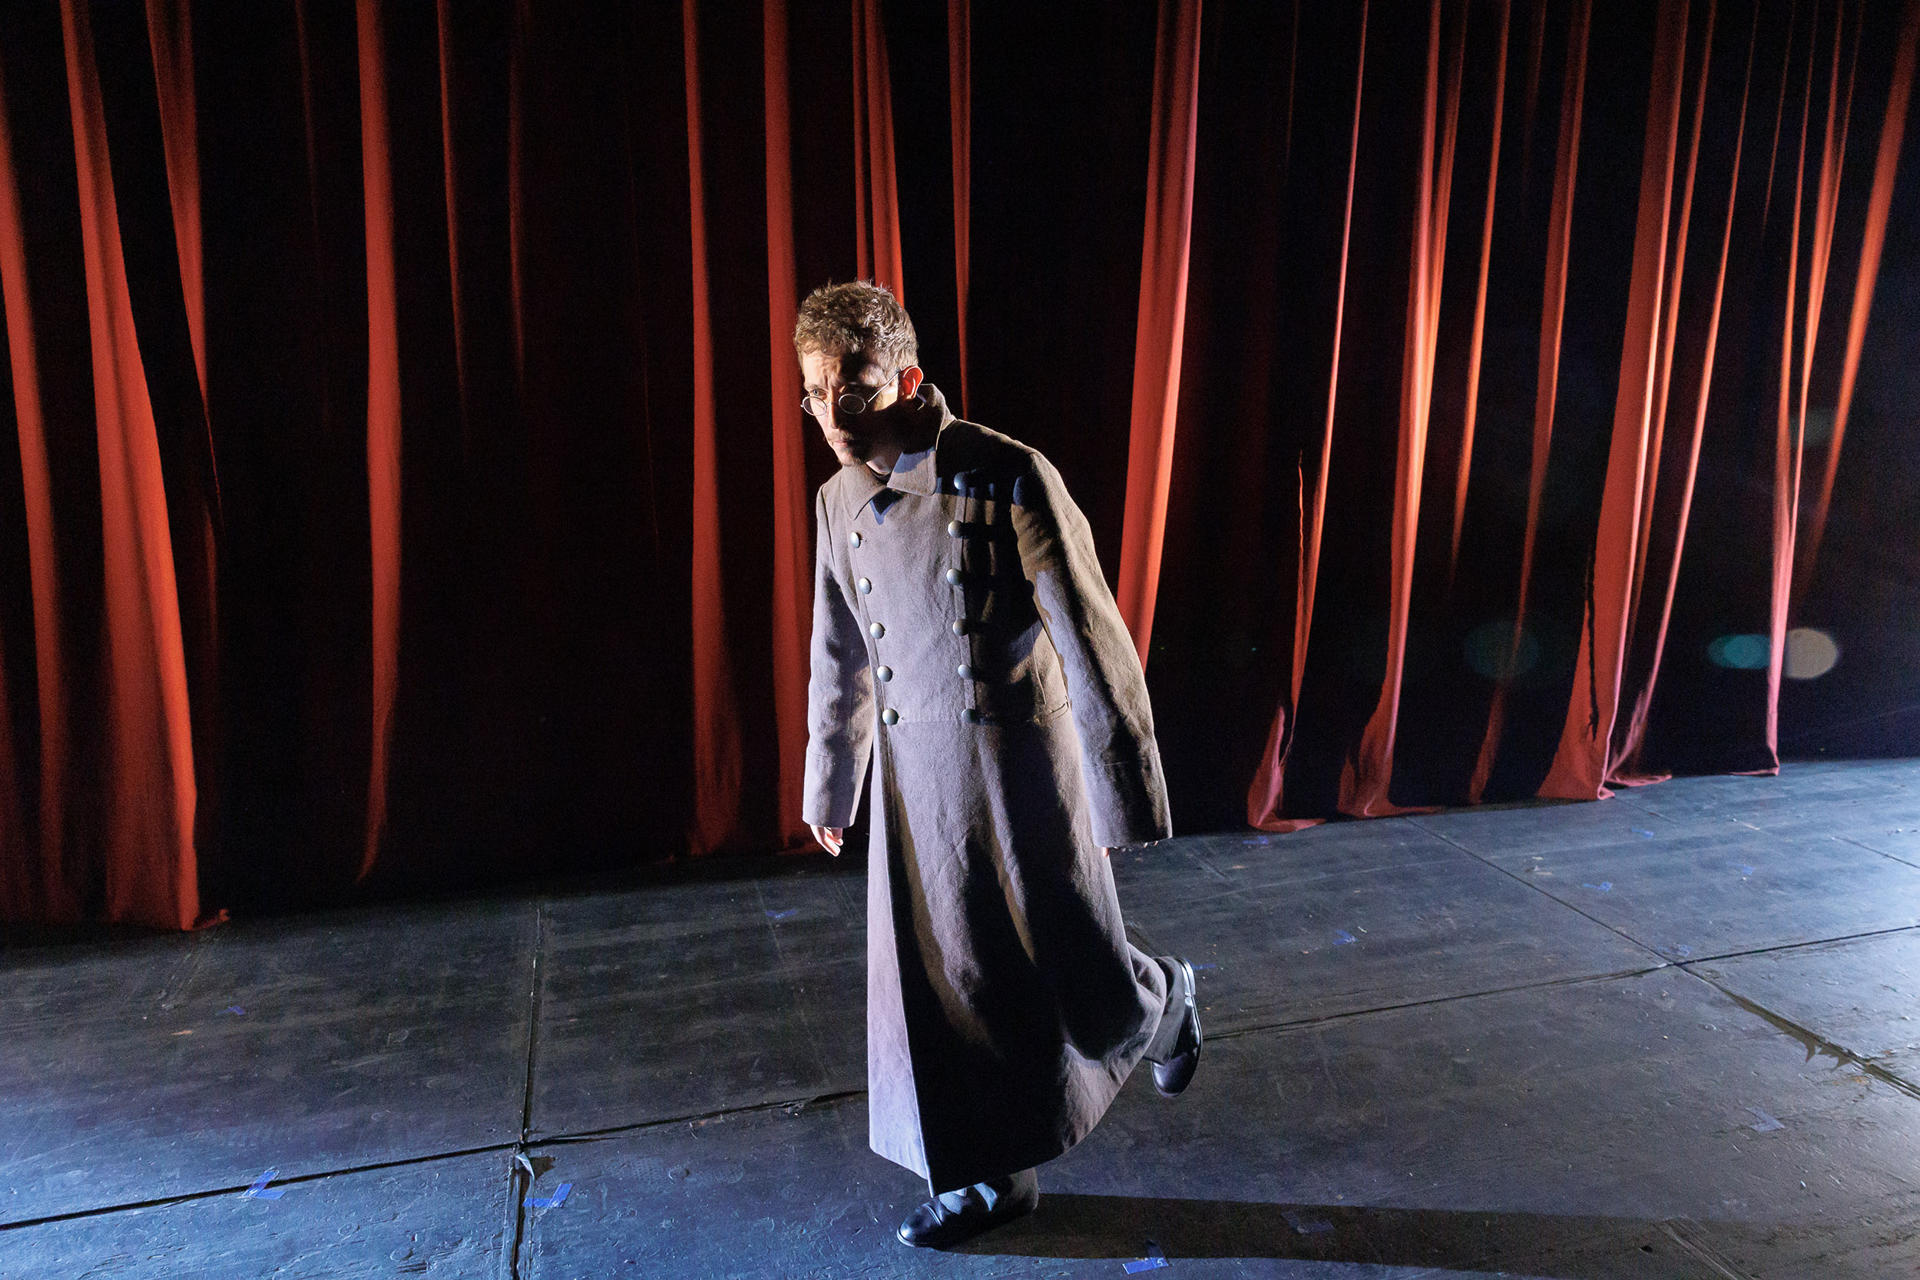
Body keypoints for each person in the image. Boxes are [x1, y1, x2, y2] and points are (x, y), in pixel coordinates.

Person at [797, 280, 1202, 1250]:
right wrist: (832, 779)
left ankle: (1162, 1000)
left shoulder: (1005, 473)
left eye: (853, 388)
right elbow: (841, 652)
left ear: (907, 379)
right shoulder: (837, 501)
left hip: (1020, 769)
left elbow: (1092, 635)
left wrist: (1122, 789)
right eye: (813, 394)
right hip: (917, 782)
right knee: (949, 985)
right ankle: (992, 1179)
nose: (833, 416)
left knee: (1077, 965)